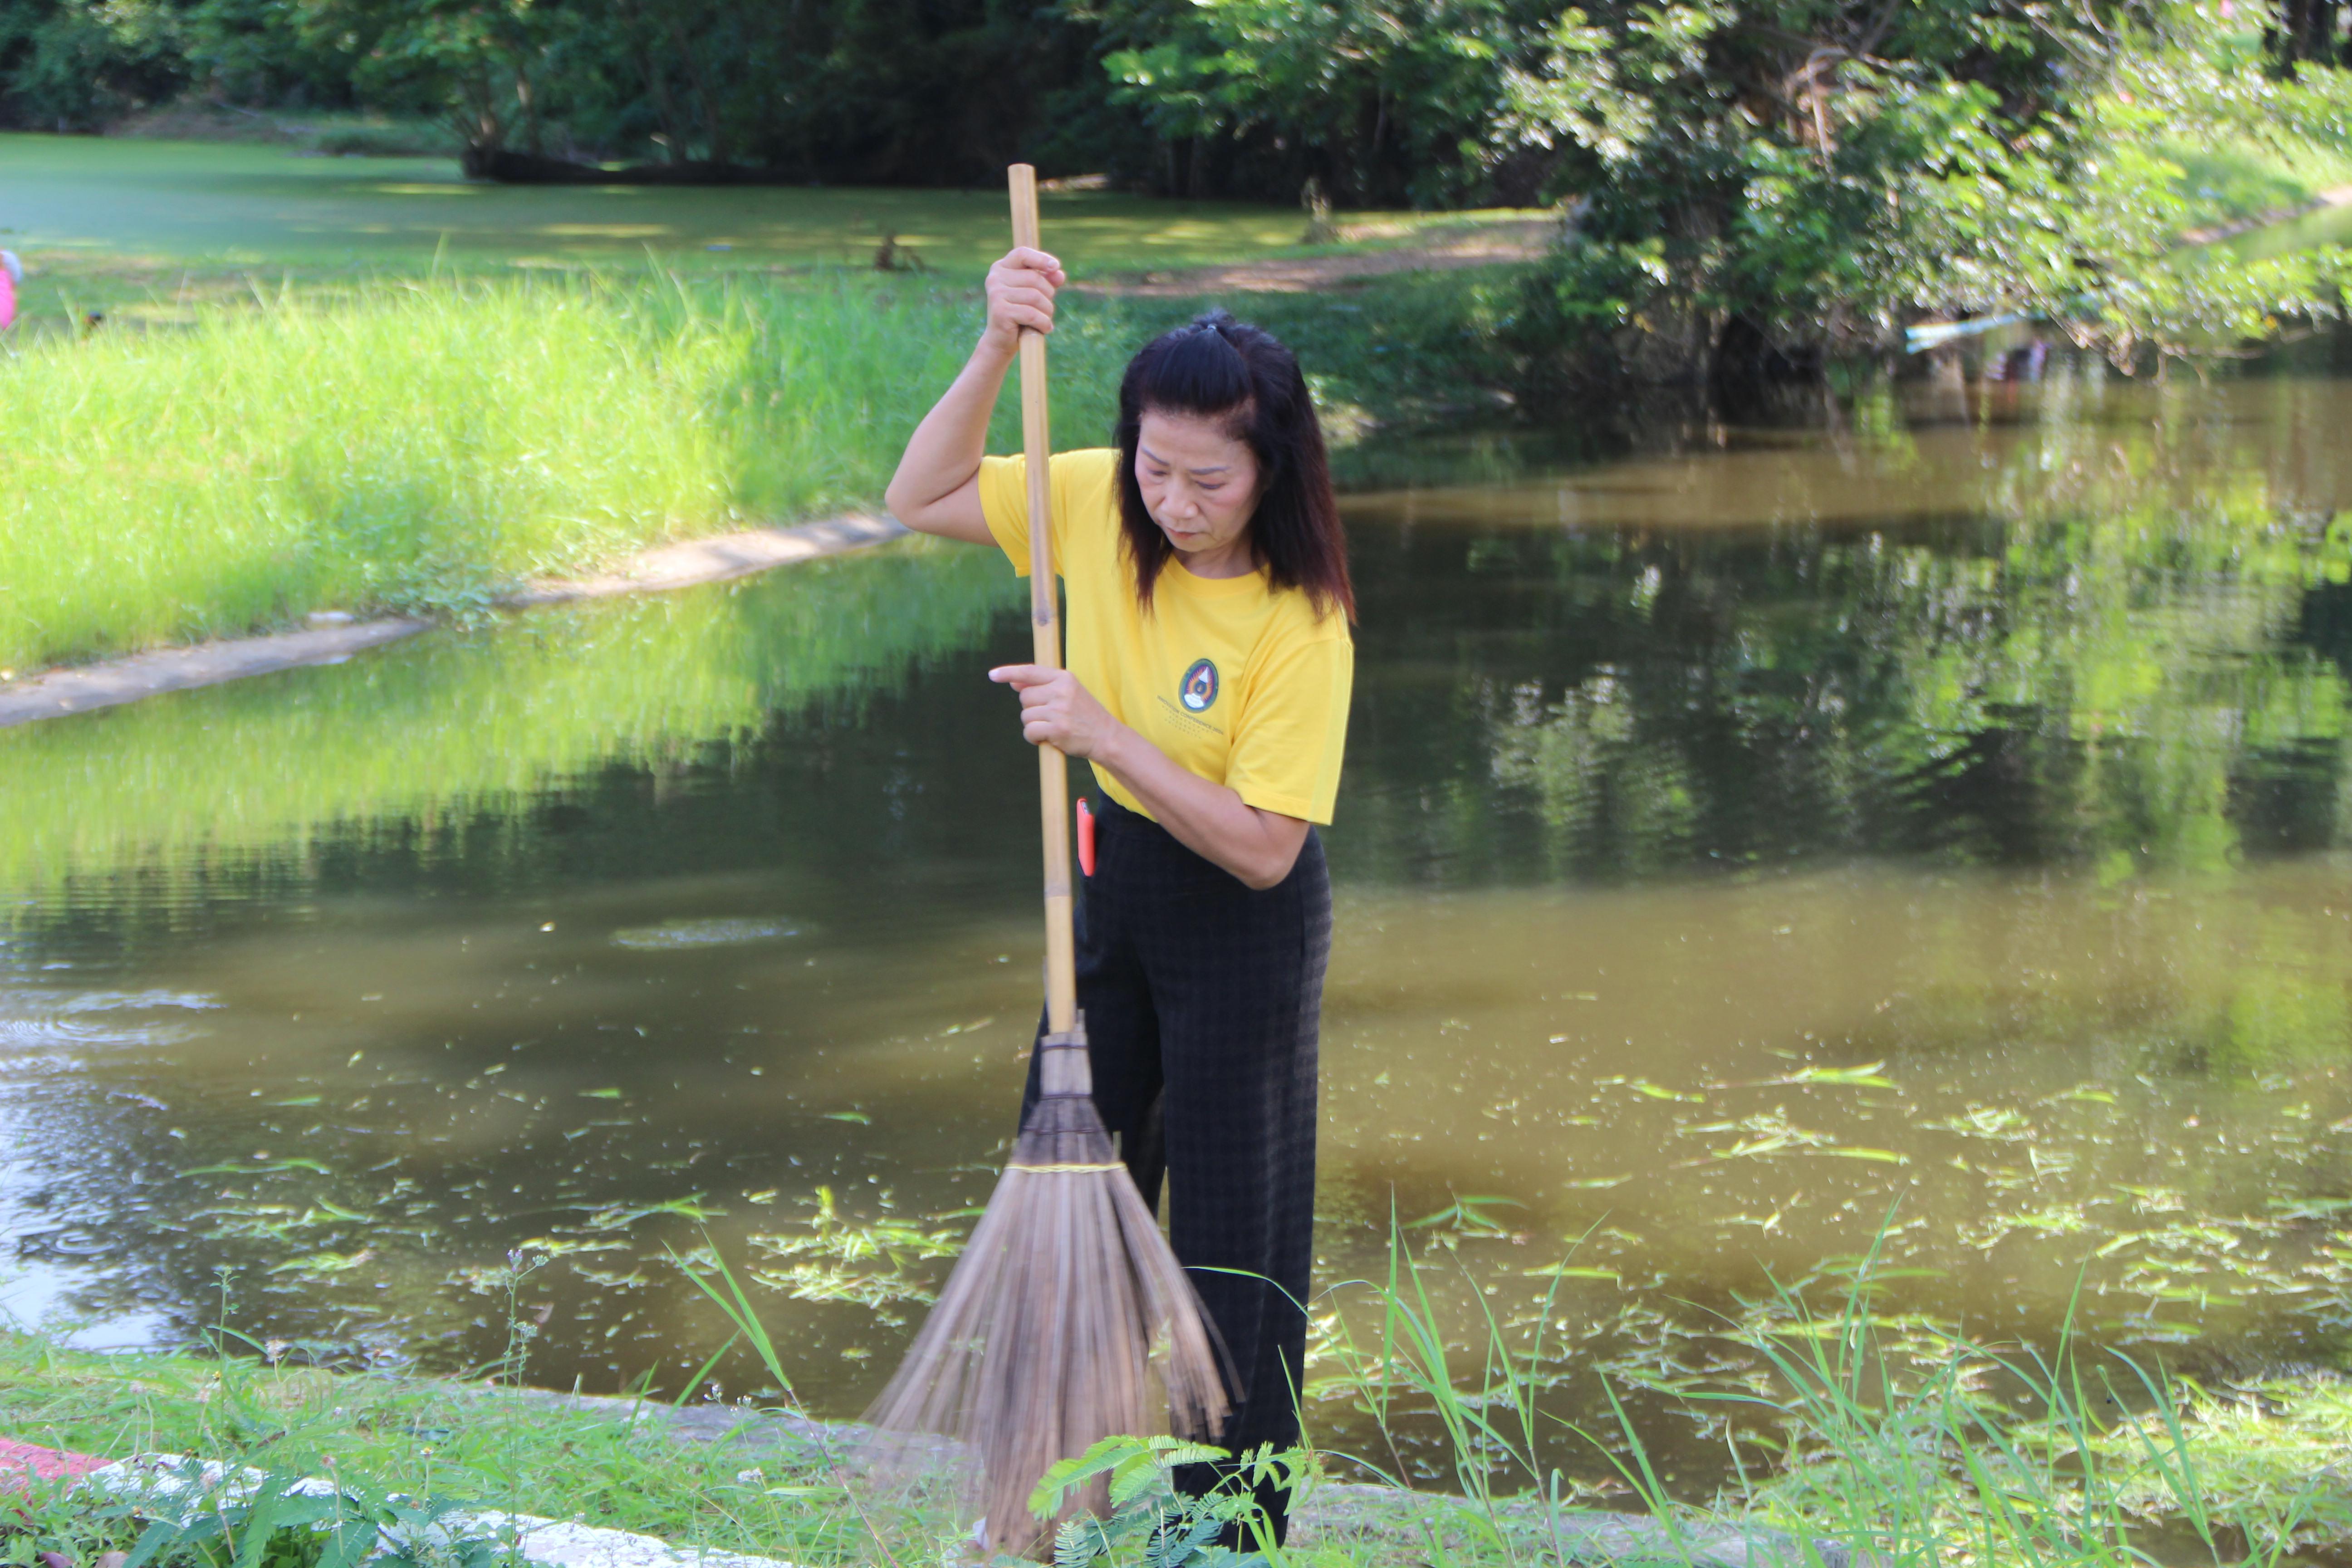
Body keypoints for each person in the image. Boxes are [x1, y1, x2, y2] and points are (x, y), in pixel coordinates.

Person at [886, 246, 1355, 1546]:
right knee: (1072, 1188)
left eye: (1210, 478)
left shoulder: (1300, 625)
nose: (1176, 499)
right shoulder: (1097, 503)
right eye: (1155, 464)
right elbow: (917, 491)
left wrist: (1105, 734)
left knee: (1230, 1245)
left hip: (1243, 924)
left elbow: (1265, 848)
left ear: (1273, 471)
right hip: (1111, 886)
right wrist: (996, 341)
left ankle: (1219, 1533)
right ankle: (1034, 1510)